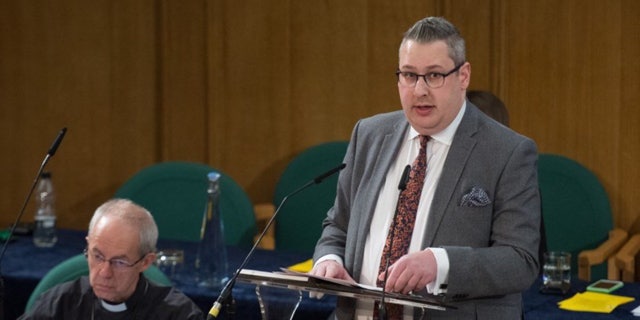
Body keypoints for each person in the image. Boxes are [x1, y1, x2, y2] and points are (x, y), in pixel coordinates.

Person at [311, 16, 540, 319]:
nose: (419, 90)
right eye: (409, 75)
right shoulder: (368, 135)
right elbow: (338, 226)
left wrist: (440, 264)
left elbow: (520, 261)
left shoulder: (507, 152)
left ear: (463, 76)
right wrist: (329, 259)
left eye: (434, 76)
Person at [20, 199, 204, 319]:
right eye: (97, 256)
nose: (104, 272)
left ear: (146, 262)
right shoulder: (59, 303)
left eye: (119, 262)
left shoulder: (179, 314)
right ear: (88, 244)